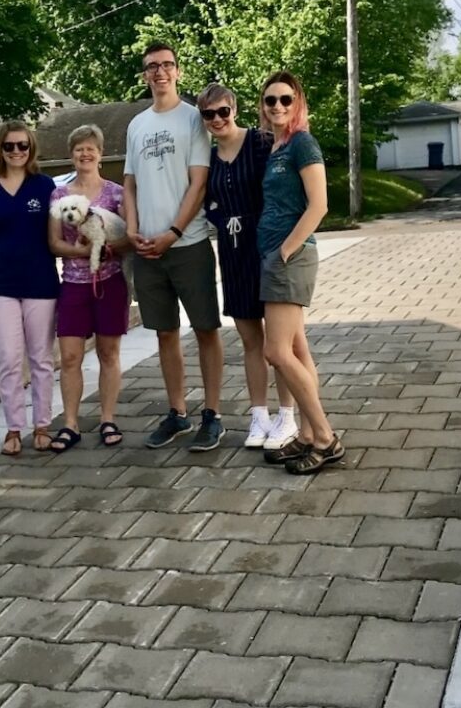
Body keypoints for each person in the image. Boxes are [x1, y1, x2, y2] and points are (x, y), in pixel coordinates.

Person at [124, 42, 225, 452]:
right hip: (147, 249)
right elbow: (129, 183)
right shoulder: (136, 125)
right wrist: (132, 230)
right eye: (152, 67)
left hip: (189, 243)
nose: (160, 72)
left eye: (167, 65)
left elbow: (198, 181)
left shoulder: (193, 120)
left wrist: (174, 231)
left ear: (177, 72)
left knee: (205, 329)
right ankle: (177, 412)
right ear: (145, 74)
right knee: (165, 332)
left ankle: (213, 415)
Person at [197, 82, 300, 450]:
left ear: (234, 109)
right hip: (232, 251)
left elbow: (283, 186)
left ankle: (287, 415)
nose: (217, 119)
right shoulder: (207, 158)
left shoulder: (259, 143)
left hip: (266, 247)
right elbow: (205, 200)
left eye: (223, 111)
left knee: (281, 342)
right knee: (250, 340)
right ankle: (259, 416)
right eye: (208, 114)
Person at [256, 71, 345, 474]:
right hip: (274, 256)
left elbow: (319, 205)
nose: (278, 106)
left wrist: (285, 251)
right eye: (271, 100)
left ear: (298, 103)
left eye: (285, 100)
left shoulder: (302, 143)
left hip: (289, 258)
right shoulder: (276, 147)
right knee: (296, 351)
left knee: (275, 352)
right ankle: (308, 435)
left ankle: (325, 438)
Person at [0, 120, 59, 456]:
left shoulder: (45, 186)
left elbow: (63, 229)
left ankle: (43, 424)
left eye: (23, 146)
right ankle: (13, 427)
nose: (17, 152)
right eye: (10, 146)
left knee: (42, 360)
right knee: (8, 358)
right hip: (0, 285)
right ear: (0, 149)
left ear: (31, 148)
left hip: (40, 284)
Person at [48, 124, 130, 452]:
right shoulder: (59, 196)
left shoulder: (116, 194)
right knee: (69, 357)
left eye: (91, 148)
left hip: (110, 282)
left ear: (100, 153)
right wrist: (83, 252)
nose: (85, 153)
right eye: (79, 148)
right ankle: (70, 423)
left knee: (109, 354)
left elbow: (129, 239)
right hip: (73, 285)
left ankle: (107, 419)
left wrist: (110, 248)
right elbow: (53, 243)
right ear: (72, 155)